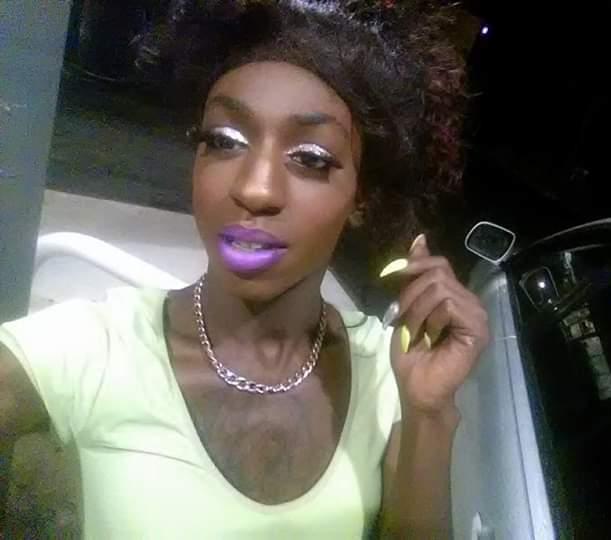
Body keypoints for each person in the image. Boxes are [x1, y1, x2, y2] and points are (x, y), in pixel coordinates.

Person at [0, 1, 488, 537]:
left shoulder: (386, 374)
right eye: (224, 141)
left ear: (362, 197)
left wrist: (428, 413)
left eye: (310, 158)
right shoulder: (98, 349)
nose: (255, 189)